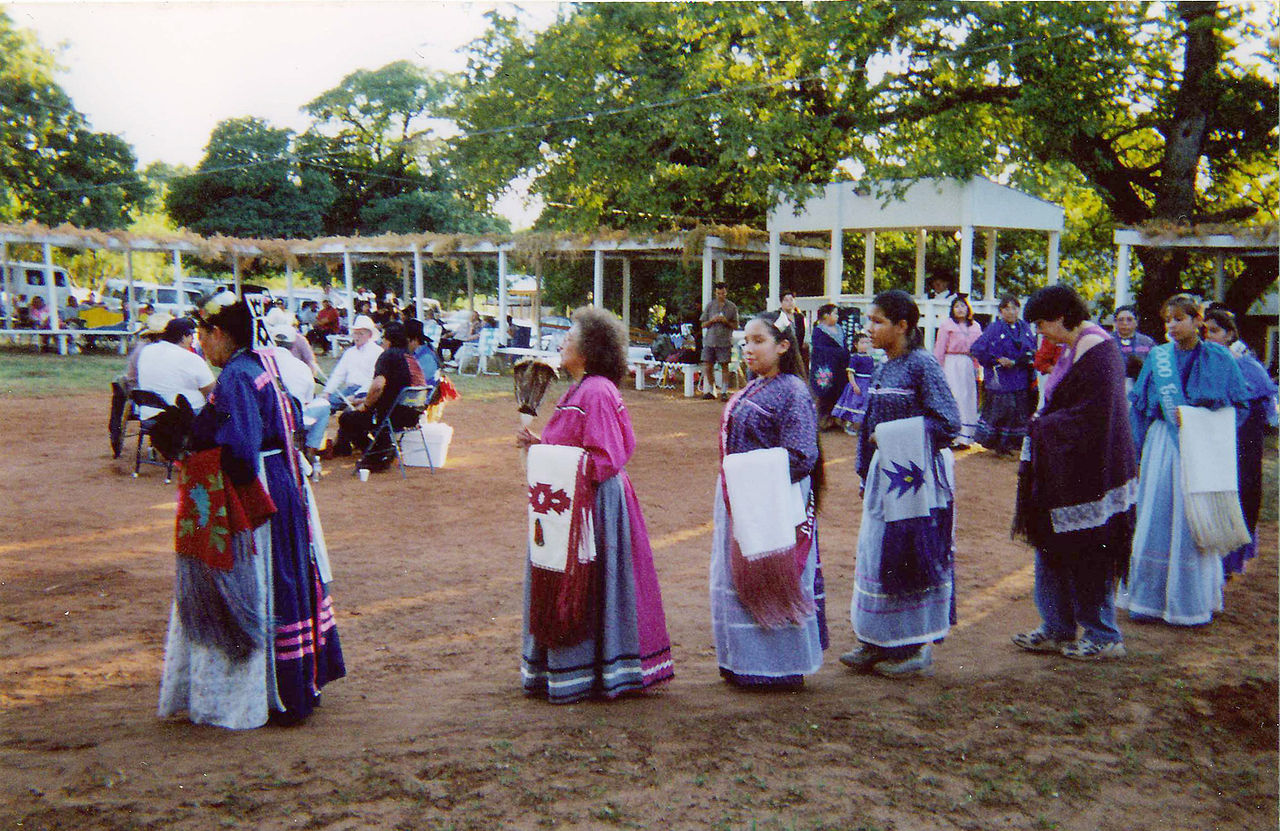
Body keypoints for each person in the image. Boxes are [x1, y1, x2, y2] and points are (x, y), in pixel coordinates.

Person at [159, 293, 344, 728]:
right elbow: (291, 419)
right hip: (282, 480)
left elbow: (240, 452)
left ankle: (270, 693)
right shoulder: (263, 366)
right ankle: (297, 686)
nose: (200, 345)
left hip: (257, 489)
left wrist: (196, 449)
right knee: (286, 576)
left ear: (218, 333)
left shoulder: (237, 377)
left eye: (202, 335)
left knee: (261, 582)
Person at [516, 306, 674, 703]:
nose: (563, 341)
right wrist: (541, 447)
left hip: (596, 507)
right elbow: (577, 447)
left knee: (591, 581)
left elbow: (606, 458)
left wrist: (555, 456)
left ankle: (595, 670)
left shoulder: (598, 390)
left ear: (588, 348)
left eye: (570, 336)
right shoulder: (577, 390)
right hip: (575, 505)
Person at [1011, 286, 1138, 661]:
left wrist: (1043, 427)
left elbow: (1095, 416)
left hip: (1092, 474)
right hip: (1061, 470)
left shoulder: (1100, 351)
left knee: (1090, 550)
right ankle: (1056, 626)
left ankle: (1103, 635)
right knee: (1050, 545)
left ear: (1063, 316)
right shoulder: (1073, 348)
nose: (1040, 331)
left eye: (1042, 323)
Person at [841, 290, 959, 678]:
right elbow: (867, 429)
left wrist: (892, 436)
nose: (868, 329)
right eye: (868, 321)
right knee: (875, 553)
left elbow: (949, 423)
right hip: (884, 477)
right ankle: (876, 641)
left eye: (877, 321)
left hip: (914, 482)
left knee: (907, 554)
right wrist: (864, 470)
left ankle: (913, 646)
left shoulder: (922, 365)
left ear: (903, 325)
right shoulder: (882, 367)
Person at [709, 313, 826, 689]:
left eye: (758, 341)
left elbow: (803, 456)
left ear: (783, 346)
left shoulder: (792, 390)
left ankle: (778, 667)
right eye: (745, 341)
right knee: (740, 575)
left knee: (772, 576)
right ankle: (745, 661)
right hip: (745, 498)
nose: (749, 348)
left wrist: (749, 477)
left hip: (773, 504)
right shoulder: (754, 386)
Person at [1123, 295, 1249, 626]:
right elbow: (1139, 407)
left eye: (1179, 318)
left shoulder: (1219, 357)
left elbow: (1239, 406)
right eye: (1168, 320)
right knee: (1156, 513)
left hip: (1200, 446)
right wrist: (1136, 450)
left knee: (1189, 516)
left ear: (1198, 321)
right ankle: (1148, 601)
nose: (1172, 325)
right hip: (1163, 443)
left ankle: (1189, 602)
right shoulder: (1157, 357)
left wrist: (1206, 428)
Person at [1202, 307, 1277, 578]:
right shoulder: (1205, 358)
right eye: (1205, 330)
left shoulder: (1245, 364)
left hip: (1240, 439)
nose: (1208, 336)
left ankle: (1231, 559)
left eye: (1215, 331)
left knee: (1239, 491)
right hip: (1213, 437)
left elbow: (1255, 405)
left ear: (1230, 333)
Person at [332, 321, 423, 471]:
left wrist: (365, 405)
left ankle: (377, 454)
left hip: (391, 416)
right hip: (411, 414)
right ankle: (382, 449)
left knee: (347, 418)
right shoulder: (410, 358)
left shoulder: (387, 356)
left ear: (388, 340)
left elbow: (378, 386)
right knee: (360, 416)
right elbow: (392, 391)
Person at [304, 315, 383, 456]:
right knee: (322, 405)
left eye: (361, 333)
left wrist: (358, 395)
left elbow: (374, 379)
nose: (357, 336)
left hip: (366, 391)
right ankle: (311, 444)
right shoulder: (349, 353)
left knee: (349, 412)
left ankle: (342, 445)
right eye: (355, 333)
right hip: (348, 390)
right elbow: (338, 374)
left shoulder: (377, 352)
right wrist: (327, 392)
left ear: (370, 335)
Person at [970, 295, 1037, 455]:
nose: (1011, 312)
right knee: (1003, 409)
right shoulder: (994, 328)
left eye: (1014, 308)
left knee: (1018, 411)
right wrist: (997, 359)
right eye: (1007, 308)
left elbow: (1032, 351)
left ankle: (1012, 444)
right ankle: (998, 444)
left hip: (1020, 377)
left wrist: (1017, 361)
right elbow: (977, 349)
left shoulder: (1025, 328)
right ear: (1001, 311)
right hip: (1000, 379)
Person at [136, 317, 216, 420]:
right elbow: (211, 390)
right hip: (184, 417)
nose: (192, 340)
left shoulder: (146, 351)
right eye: (191, 336)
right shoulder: (191, 358)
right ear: (183, 337)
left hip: (149, 414)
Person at [933, 295, 983, 448]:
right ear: (952, 309)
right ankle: (952, 435)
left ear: (968, 308)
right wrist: (938, 369)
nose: (960, 309)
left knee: (968, 397)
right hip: (951, 363)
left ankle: (965, 437)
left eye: (963, 306)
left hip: (967, 363)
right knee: (954, 396)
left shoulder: (975, 326)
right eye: (957, 306)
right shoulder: (947, 325)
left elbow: (979, 349)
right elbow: (940, 348)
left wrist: (978, 368)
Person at [808, 303, 848, 429]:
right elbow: (819, 350)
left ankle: (837, 420)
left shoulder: (839, 329)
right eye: (834, 313)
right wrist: (837, 353)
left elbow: (845, 345)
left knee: (840, 392)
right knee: (825, 395)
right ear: (826, 315)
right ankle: (823, 422)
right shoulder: (819, 331)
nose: (837, 316)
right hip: (826, 367)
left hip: (840, 367)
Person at [700, 281, 739, 401]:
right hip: (710, 340)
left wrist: (725, 321)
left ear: (726, 293)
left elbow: (736, 325)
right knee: (707, 365)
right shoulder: (710, 306)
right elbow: (703, 324)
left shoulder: (732, 307)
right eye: (718, 293)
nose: (720, 295)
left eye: (722, 293)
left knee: (724, 366)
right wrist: (712, 320)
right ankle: (712, 390)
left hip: (724, 340)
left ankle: (724, 391)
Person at [831, 331, 876, 435]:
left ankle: (862, 427)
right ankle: (850, 425)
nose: (865, 345)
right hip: (858, 384)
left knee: (865, 405)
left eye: (867, 343)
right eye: (862, 343)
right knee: (854, 404)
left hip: (868, 385)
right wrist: (854, 385)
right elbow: (850, 373)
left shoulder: (870, 358)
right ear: (856, 345)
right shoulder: (855, 358)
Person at [1111, 305, 1156, 394]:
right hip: (1113, 387)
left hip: (1141, 387)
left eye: (1129, 319)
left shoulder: (1147, 342)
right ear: (1115, 322)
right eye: (1121, 320)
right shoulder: (1107, 341)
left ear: (1136, 322)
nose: (1125, 323)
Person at [775, 289, 807, 357]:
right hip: (783, 351)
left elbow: (803, 334)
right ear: (781, 302)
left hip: (797, 351)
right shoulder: (777, 316)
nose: (789, 302)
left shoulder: (800, 317)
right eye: (786, 300)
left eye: (791, 300)